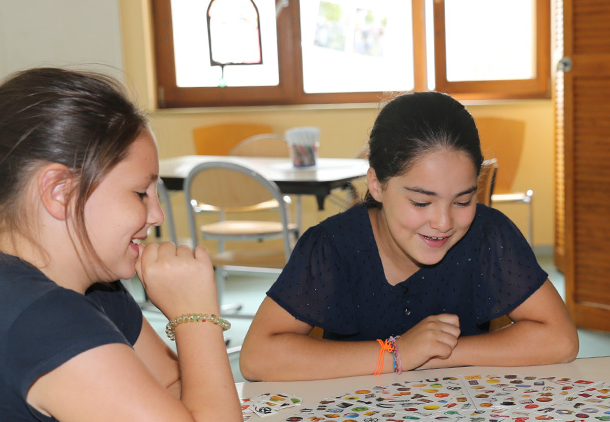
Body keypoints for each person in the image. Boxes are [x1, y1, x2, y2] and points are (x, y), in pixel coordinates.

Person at [0, 68, 243, 422]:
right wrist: (196, 316)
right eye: (140, 193)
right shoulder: (41, 319)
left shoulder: (92, 291)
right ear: (60, 192)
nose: (156, 214)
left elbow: (174, 388)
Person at [240, 91, 578, 381]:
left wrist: (441, 352)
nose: (443, 222)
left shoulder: (488, 234)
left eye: (463, 200)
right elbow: (257, 357)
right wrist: (397, 354)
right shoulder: (332, 246)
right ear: (377, 185)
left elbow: (560, 339)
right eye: (420, 201)